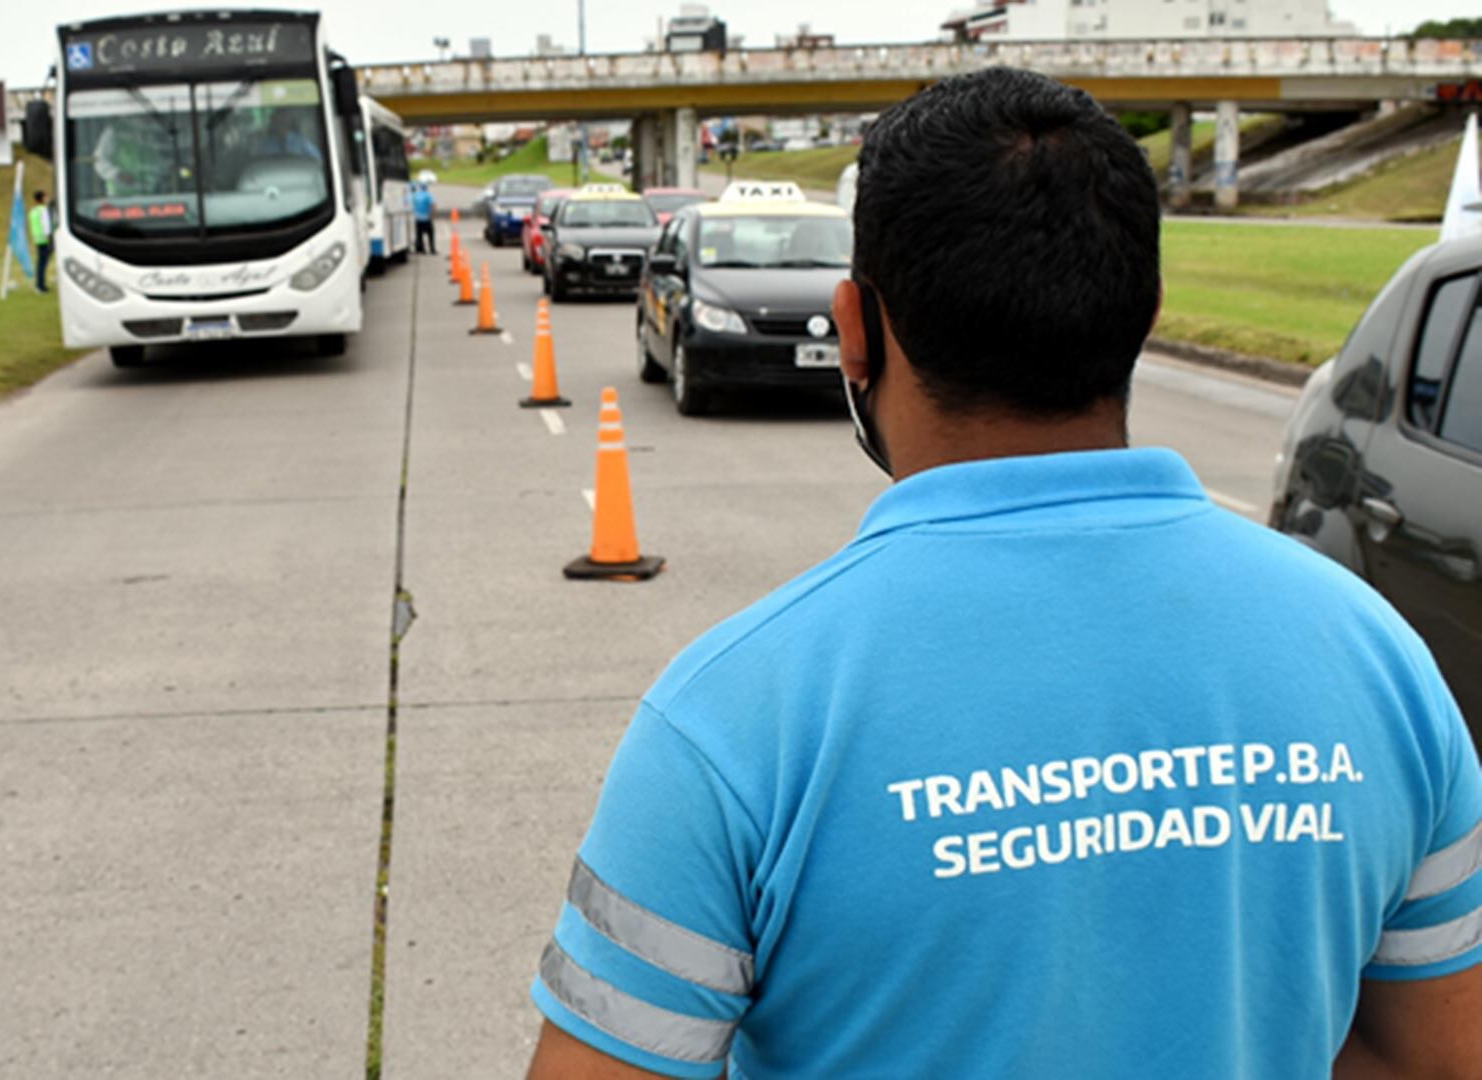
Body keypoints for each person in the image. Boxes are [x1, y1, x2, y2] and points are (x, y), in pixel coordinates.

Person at [526, 67, 1482, 1080]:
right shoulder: (1380, 662)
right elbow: (1437, 1056)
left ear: (854, 326)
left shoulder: (733, 720)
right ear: (1145, 309)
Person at [28, 190, 53, 293]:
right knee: (43, 262)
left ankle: (40, 284)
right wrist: (49, 236)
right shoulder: (43, 210)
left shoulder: (33, 211)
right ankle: (40, 286)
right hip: (45, 239)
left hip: (37, 239)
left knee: (40, 262)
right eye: (45, 197)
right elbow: (46, 224)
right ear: (42, 198)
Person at [411, 182, 436, 254]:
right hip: (426, 218)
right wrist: (432, 215)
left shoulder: (416, 195)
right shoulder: (428, 195)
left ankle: (421, 249)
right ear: (426, 188)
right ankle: (432, 249)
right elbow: (433, 205)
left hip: (418, 218)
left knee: (419, 234)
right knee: (431, 233)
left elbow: (413, 205)